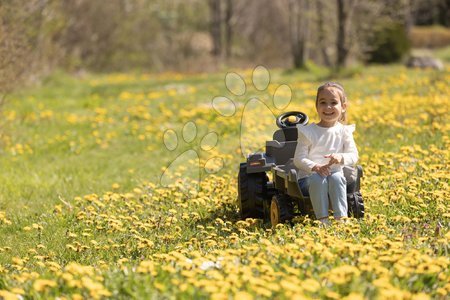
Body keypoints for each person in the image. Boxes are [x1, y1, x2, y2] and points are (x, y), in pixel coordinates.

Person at [294, 82, 358, 224]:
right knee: (318, 179)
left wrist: (340, 157)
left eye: (333, 103)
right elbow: (299, 159)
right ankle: (322, 220)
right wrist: (315, 167)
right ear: (316, 106)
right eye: (323, 102)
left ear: (343, 107)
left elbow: (353, 155)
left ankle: (341, 219)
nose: (328, 107)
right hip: (309, 177)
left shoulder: (344, 131)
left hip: (335, 174)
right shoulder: (308, 132)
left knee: (336, 179)